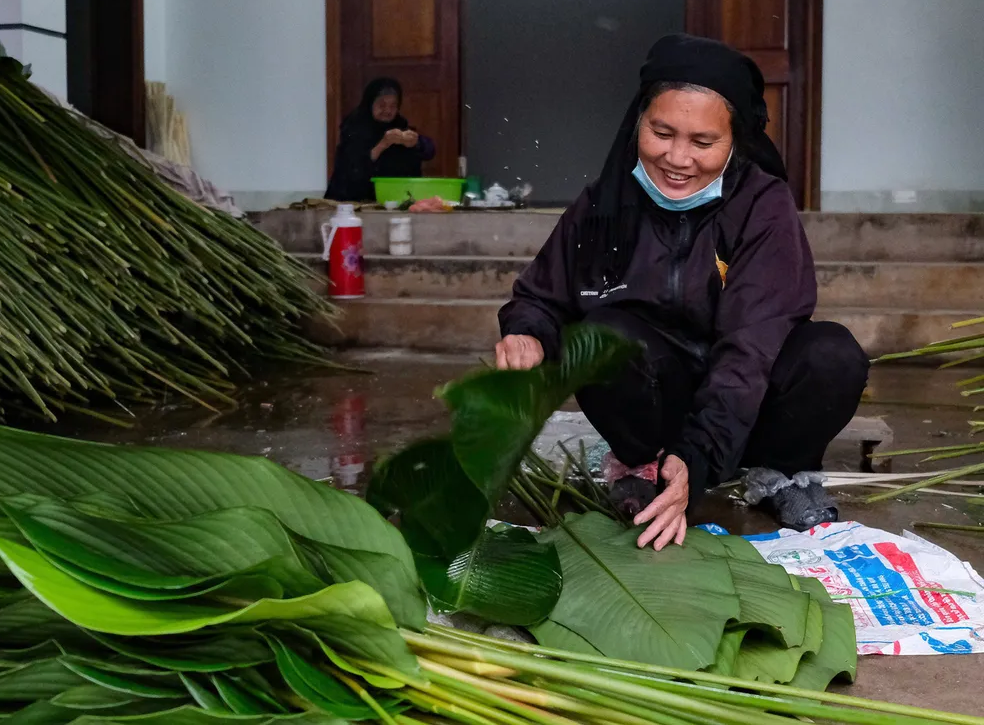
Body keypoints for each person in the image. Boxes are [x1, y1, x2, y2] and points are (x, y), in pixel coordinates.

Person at [496, 34, 869, 551]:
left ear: (735, 139)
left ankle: (779, 472)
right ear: (638, 123)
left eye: (702, 142)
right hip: (655, 406)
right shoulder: (604, 205)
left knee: (831, 356)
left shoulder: (763, 207)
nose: (677, 158)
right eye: (662, 132)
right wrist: (527, 334)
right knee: (603, 336)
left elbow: (749, 352)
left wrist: (696, 462)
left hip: (747, 405)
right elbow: (541, 297)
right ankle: (640, 462)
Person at [325, 78, 435, 202]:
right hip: (353, 205)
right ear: (370, 104)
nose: (387, 111)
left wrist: (416, 143)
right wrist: (383, 144)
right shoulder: (354, 128)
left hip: (395, 203)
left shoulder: (400, 126)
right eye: (382, 105)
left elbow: (429, 151)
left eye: (393, 106)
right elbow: (352, 168)